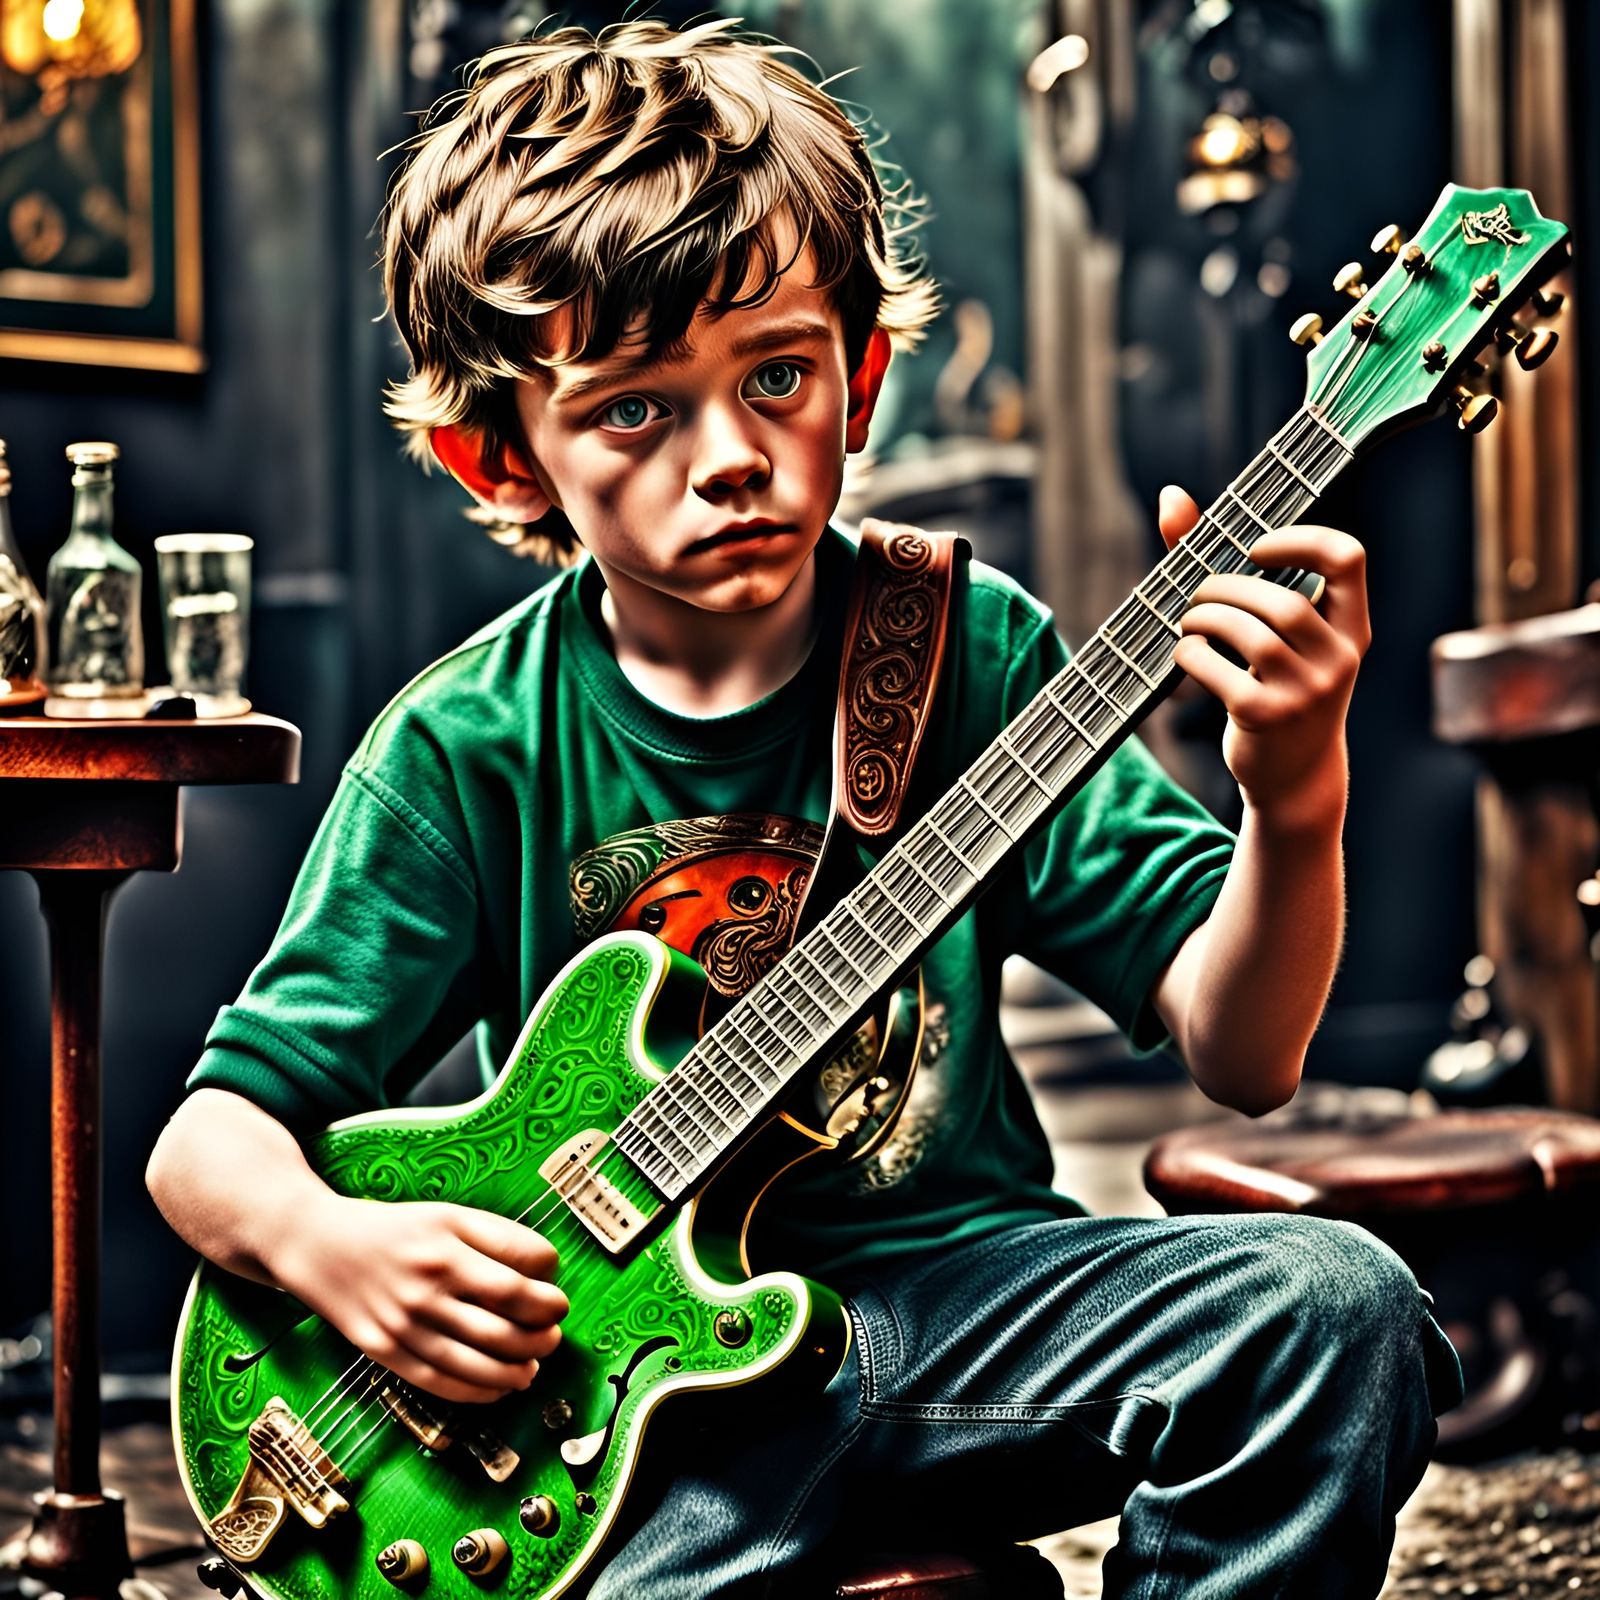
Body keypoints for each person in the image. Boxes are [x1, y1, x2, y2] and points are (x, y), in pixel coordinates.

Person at [146, 18, 1462, 1598]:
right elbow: (208, 1145)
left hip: (965, 1308)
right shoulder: (464, 745)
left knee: (1337, 1308)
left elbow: (1246, 1057)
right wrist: (336, 1250)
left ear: (863, 378)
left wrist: (1296, 794)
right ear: (498, 457)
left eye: (778, 375)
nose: (731, 460)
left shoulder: (973, 654)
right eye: (636, 407)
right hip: (633, 1418)